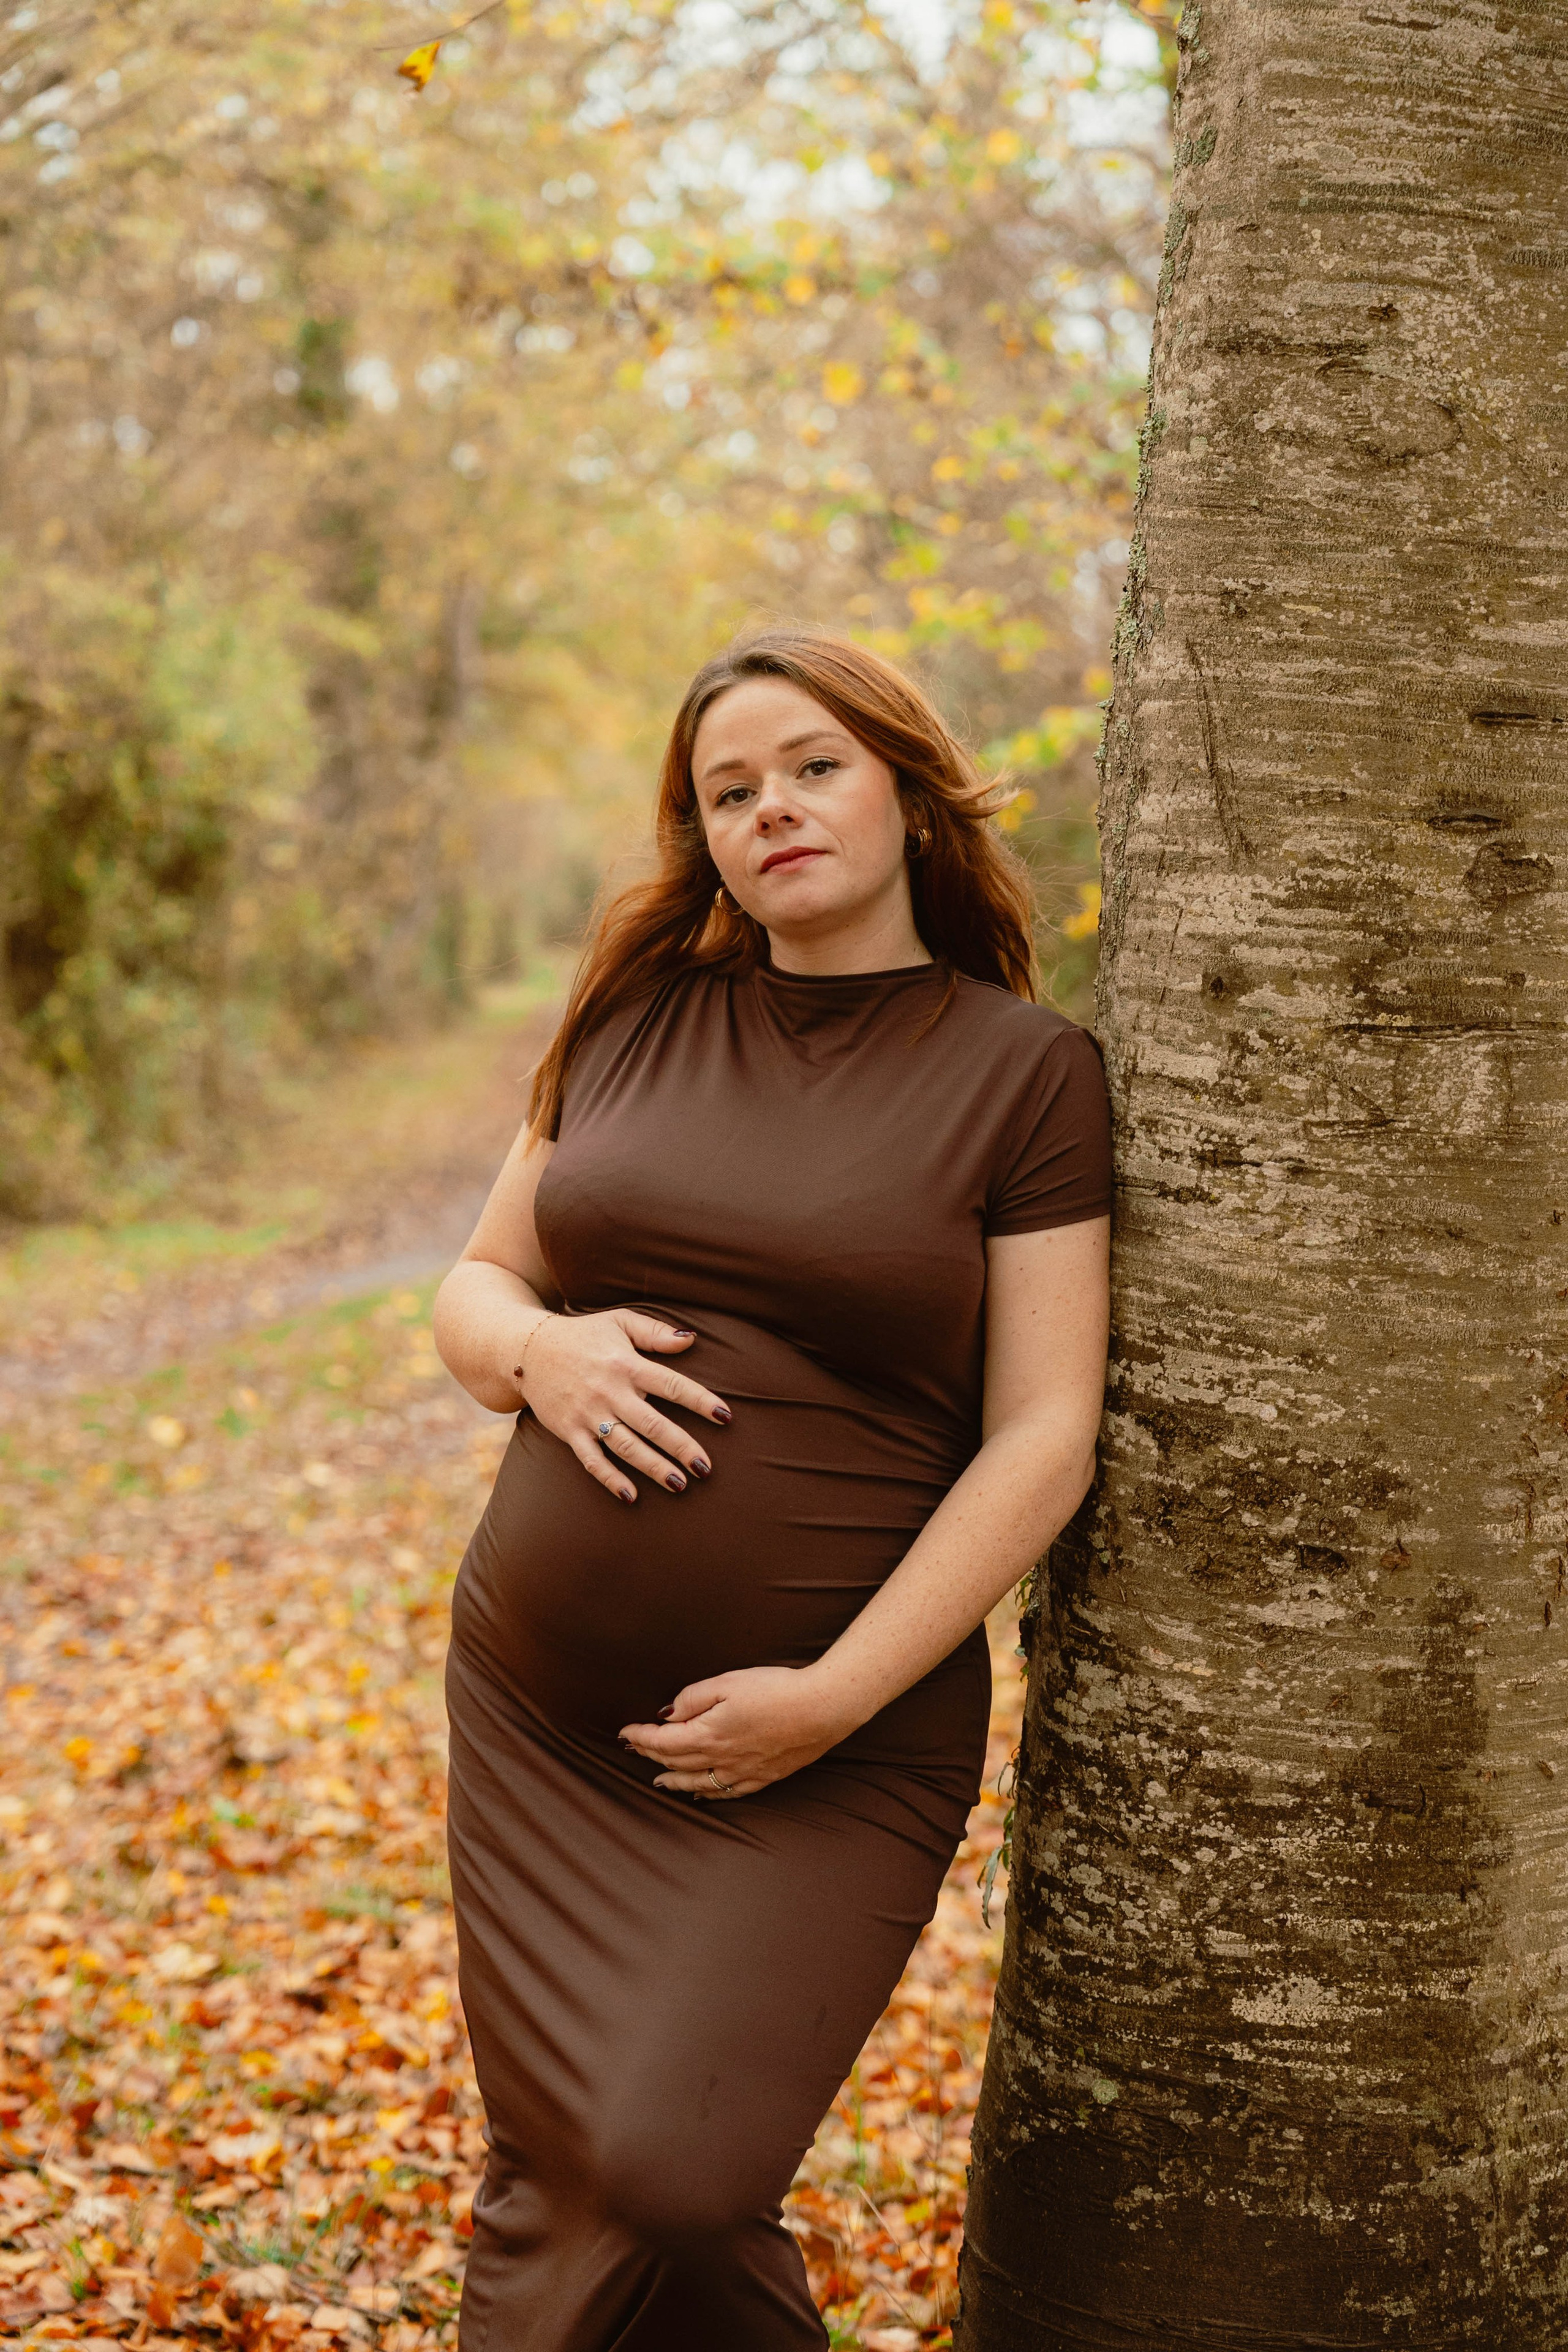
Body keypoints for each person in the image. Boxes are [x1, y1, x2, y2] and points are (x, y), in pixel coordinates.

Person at [432, 627, 1112, 2348]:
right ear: (703, 840)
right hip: (541, 1717)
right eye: (729, 791)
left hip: (835, 1743)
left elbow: (1046, 1434)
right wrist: (543, 1355)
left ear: (902, 787)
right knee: (560, 2174)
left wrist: (828, 1698)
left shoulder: (1024, 1075)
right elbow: (472, 1290)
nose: (774, 811)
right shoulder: (636, 1017)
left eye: (812, 766)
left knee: (664, 2176)